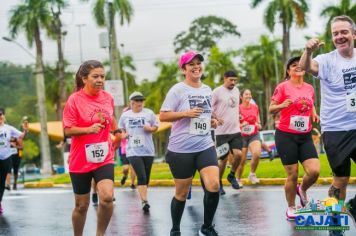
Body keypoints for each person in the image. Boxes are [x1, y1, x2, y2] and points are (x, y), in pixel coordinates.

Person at [299, 15, 356, 225]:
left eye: (344, 32)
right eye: (335, 33)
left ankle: (352, 205)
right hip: (336, 129)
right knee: (341, 179)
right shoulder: (326, 60)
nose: (340, 37)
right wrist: (308, 51)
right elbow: (306, 67)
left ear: (354, 34)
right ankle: (335, 221)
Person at [160, 50, 220, 236]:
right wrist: (185, 113)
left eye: (198, 63)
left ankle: (207, 227)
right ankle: (175, 229)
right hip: (181, 150)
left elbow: (204, 115)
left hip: (204, 145)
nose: (196, 67)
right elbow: (163, 115)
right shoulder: (178, 90)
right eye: (191, 64)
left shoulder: (207, 90)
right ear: (184, 69)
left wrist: (212, 121)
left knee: (214, 185)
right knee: (182, 193)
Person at [62, 60, 120, 236]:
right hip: (80, 159)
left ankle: (99, 234)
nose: (100, 80)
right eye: (95, 76)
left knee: (107, 197)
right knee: (81, 206)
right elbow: (67, 130)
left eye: (102, 76)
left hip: (104, 156)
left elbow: (111, 117)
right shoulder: (74, 100)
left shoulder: (108, 97)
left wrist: (117, 131)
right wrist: (88, 129)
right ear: (84, 78)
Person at [269, 56, 320, 220]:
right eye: (293, 65)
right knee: (292, 174)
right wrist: (281, 105)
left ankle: (302, 189)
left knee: (314, 171)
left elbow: (310, 104)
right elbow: (271, 109)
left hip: (305, 136)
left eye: (300, 64)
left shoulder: (309, 88)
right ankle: (291, 206)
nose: (298, 66)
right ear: (288, 70)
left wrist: (314, 113)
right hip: (286, 136)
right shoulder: (283, 87)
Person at [119, 91, 158, 213]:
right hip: (133, 151)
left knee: (146, 178)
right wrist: (124, 134)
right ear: (131, 102)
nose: (140, 103)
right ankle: (144, 201)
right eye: (137, 101)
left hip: (148, 150)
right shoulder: (126, 115)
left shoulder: (149, 113)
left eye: (142, 100)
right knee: (141, 176)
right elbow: (121, 129)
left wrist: (150, 129)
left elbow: (156, 127)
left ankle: (143, 196)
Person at [212, 70, 243, 194]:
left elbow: (235, 107)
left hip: (235, 130)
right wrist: (216, 117)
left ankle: (231, 175)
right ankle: (219, 182)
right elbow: (208, 107)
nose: (233, 82)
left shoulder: (236, 90)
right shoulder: (217, 92)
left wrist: (239, 116)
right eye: (231, 80)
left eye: (235, 80)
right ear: (225, 78)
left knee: (239, 155)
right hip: (221, 132)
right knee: (223, 160)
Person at [0, 107, 28, 214]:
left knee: (2, 182)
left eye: (1, 114)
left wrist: (25, 130)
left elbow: (21, 136)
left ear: (3, 116)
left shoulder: (8, 128)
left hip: (6, 158)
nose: (0, 116)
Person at [236, 89, 262, 185]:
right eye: (246, 94)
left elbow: (258, 119)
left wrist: (258, 124)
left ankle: (252, 174)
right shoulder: (237, 108)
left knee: (257, 153)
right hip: (241, 136)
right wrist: (242, 125)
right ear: (241, 97)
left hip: (253, 134)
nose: (249, 96)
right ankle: (238, 179)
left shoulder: (255, 107)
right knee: (242, 161)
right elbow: (233, 124)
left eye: (250, 94)